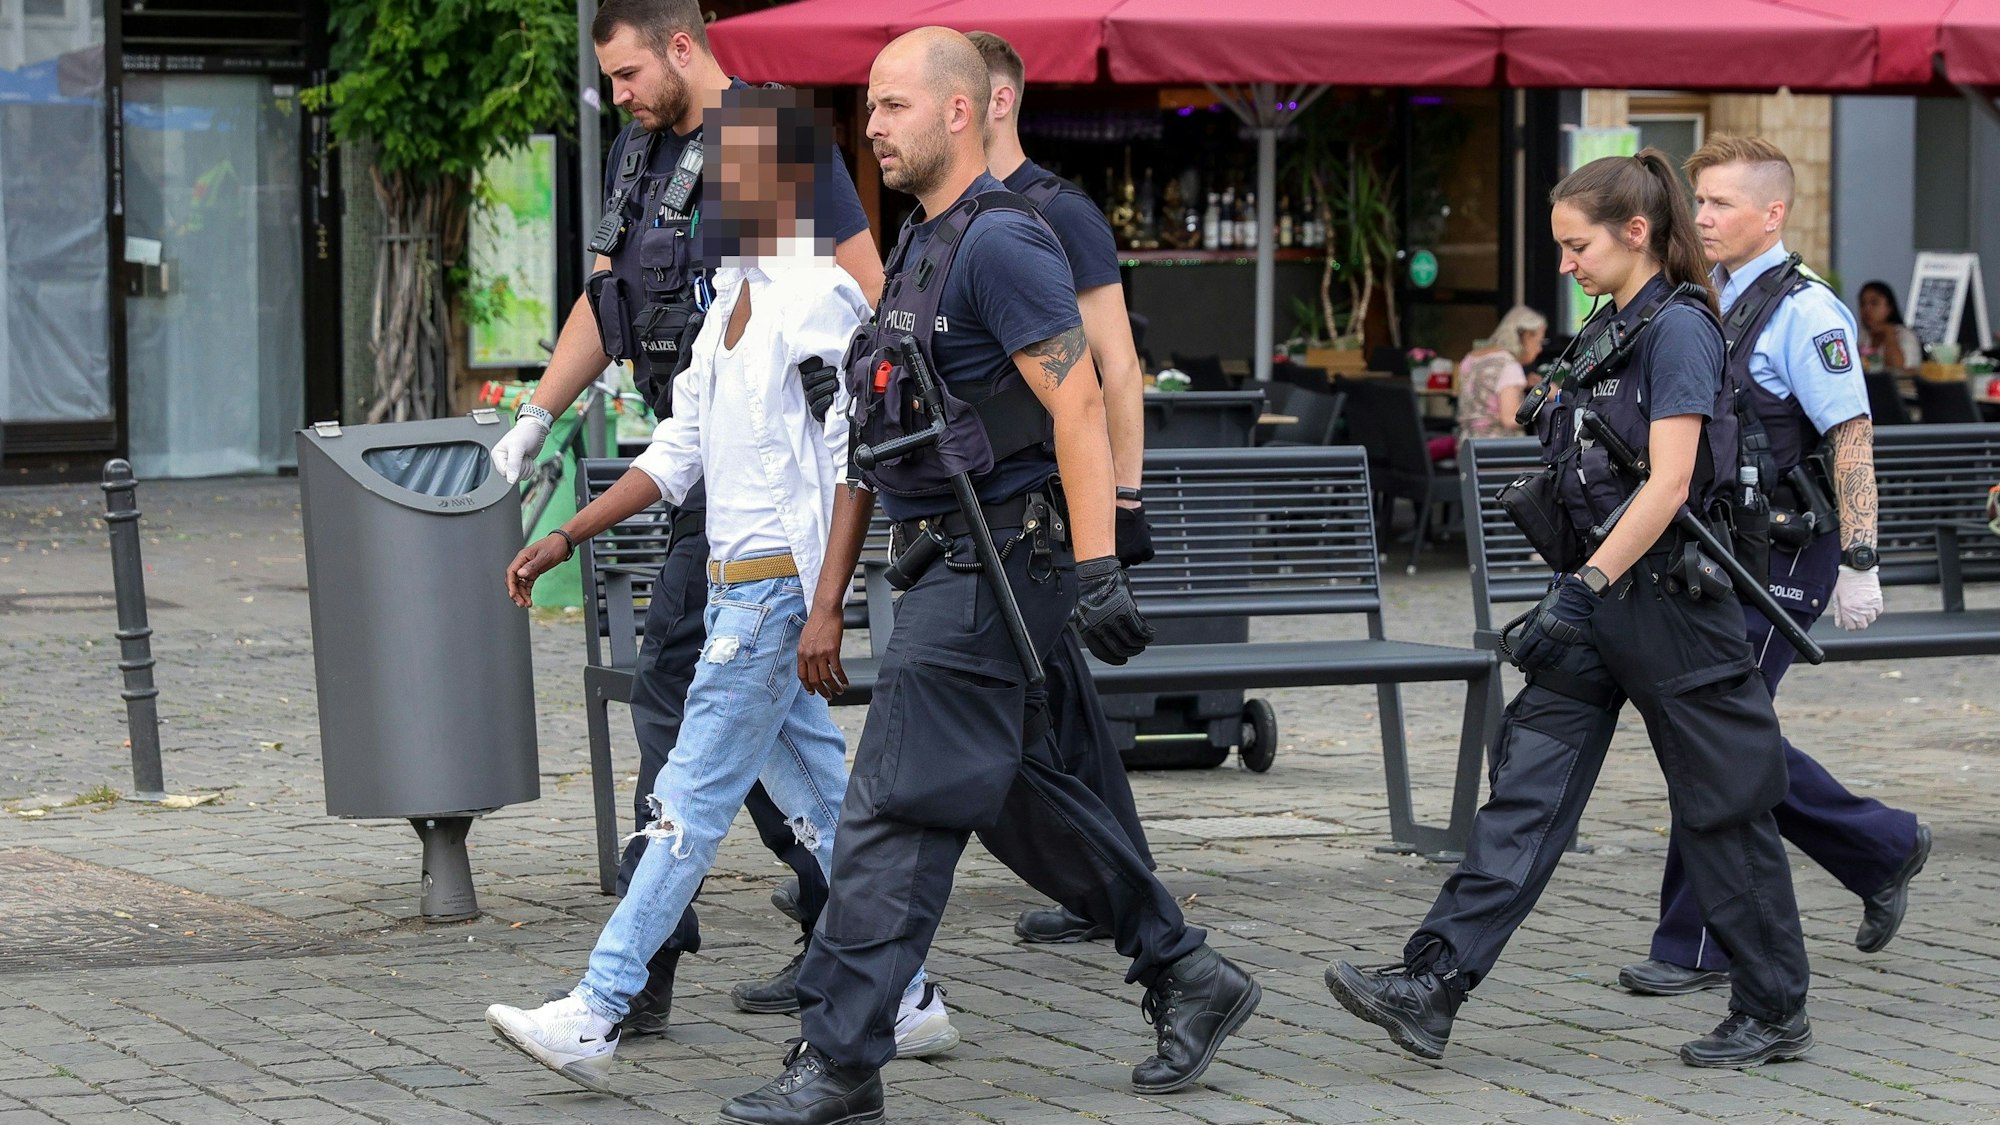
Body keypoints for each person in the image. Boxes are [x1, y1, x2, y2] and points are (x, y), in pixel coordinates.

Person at [719, 30, 1260, 1125]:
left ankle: (840, 1058)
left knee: (893, 808)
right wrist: (830, 594)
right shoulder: (924, 238)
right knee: (1012, 795)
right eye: (870, 107)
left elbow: (1078, 398)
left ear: (961, 112)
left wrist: (1101, 563)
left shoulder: (1005, 242)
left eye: (892, 106)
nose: (872, 125)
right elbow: (881, 430)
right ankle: (1185, 970)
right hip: (949, 562)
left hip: (994, 563)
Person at [483, 90, 950, 1093]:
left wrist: (825, 603)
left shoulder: (817, 297)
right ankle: (907, 994)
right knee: (823, 807)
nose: (711, 197)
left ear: (786, 185)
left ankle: (599, 1006)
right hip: (742, 587)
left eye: (736, 176)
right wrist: (565, 533)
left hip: (776, 590)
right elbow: (675, 452)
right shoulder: (727, 302)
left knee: (688, 799)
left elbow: (854, 457)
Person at [1323, 149, 1814, 1069]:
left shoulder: (1679, 328)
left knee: (1722, 806)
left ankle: (1773, 1007)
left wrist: (1584, 586)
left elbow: (1671, 483)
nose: (1565, 263)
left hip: (1670, 603)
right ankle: (1432, 982)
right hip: (1599, 595)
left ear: (1637, 233)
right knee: (1528, 790)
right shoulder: (1609, 326)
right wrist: (1583, 588)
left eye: (1577, 245)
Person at [1613, 136, 1929, 998]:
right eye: (1700, 201)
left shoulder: (1807, 312)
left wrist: (1861, 558)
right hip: (1721, 553)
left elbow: (1851, 437)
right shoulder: (1704, 293)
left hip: (1785, 557)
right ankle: (1880, 845)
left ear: (1773, 212)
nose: (1703, 216)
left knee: (1715, 734)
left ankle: (1696, 944)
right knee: (1721, 732)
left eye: (1721, 202)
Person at [964, 27, 1160, 946]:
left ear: (996, 100)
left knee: (1041, 705)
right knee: (1057, 704)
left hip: (1050, 502)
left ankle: (1129, 899)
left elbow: (1117, 366)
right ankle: (1120, 887)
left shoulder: (1059, 211)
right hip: (993, 502)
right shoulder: (958, 215)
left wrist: (1121, 505)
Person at [1429, 305, 1548, 461]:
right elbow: (1510, 419)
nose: (1539, 349)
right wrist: (1543, 402)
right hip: (1497, 453)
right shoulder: (1509, 365)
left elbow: (1484, 391)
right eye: (1539, 342)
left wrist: (1523, 384)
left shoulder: (1471, 358)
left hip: (1467, 449)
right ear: (1526, 336)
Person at [1858, 280, 1924, 376]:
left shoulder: (1906, 335)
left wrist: (1889, 334)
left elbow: (1899, 369)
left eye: (1874, 303)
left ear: (1889, 307)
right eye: (1862, 304)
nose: (1867, 309)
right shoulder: (1863, 335)